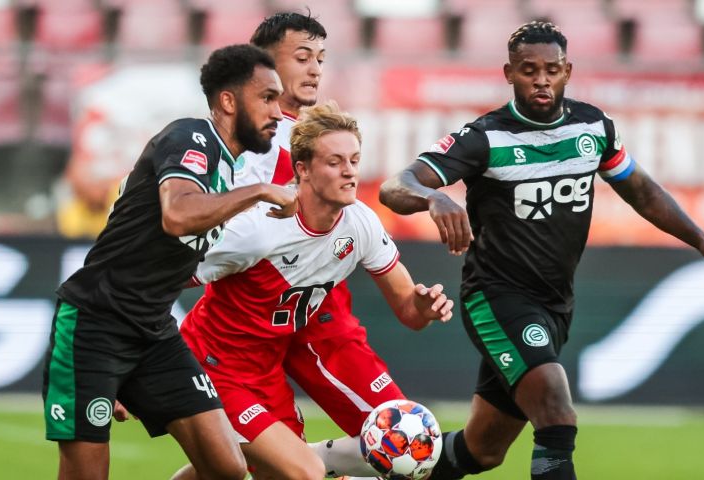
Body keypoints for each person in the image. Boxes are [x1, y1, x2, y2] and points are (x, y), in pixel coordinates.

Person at [379, 20, 704, 480]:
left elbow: (644, 193)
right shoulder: (484, 137)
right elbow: (397, 186)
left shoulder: (593, 127)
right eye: (528, 70)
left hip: (555, 305)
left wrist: (701, 240)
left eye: (551, 70)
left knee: (483, 450)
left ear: (567, 71)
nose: (540, 80)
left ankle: (351, 468)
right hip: (496, 298)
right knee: (555, 408)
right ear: (509, 72)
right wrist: (434, 197)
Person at [42, 44, 298, 480]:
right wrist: (259, 192)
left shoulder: (227, 166)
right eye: (267, 98)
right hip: (95, 326)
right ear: (228, 100)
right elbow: (178, 216)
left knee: (227, 469)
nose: (278, 110)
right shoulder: (190, 136)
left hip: (153, 331)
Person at [172, 102, 454, 480]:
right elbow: (157, 283)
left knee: (233, 471)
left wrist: (425, 306)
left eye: (354, 160)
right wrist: (133, 368)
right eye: (335, 161)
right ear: (302, 169)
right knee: (301, 472)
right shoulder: (258, 230)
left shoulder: (360, 223)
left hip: (267, 370)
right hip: (216, 368)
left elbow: (409, 309)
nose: (350, 171)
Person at [246, 13, 411, 477]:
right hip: (250, 321)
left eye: (320, 58)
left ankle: (305, 459)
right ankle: (296, 458)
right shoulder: (237, 141)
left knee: (403, 437)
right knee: (249, 465)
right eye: (302, 58)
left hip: (319, 313)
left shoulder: (320, 135)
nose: (316, 68)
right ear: (262, 63)